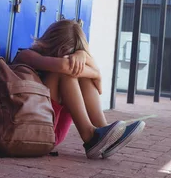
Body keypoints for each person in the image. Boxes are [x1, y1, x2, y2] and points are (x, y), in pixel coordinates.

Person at [14, 19, 145, 159]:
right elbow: (65, 67)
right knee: (68, 73)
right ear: (53, 44)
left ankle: (105, 133)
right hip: (37, 131)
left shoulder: (70, 61)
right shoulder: (26, 55)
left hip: (54, 131)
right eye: (67, 54)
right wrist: (93, 70)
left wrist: (84, 58)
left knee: (81, 74)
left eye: (73, 54)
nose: (70, 58)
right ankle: (89, 136)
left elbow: (95, 84)